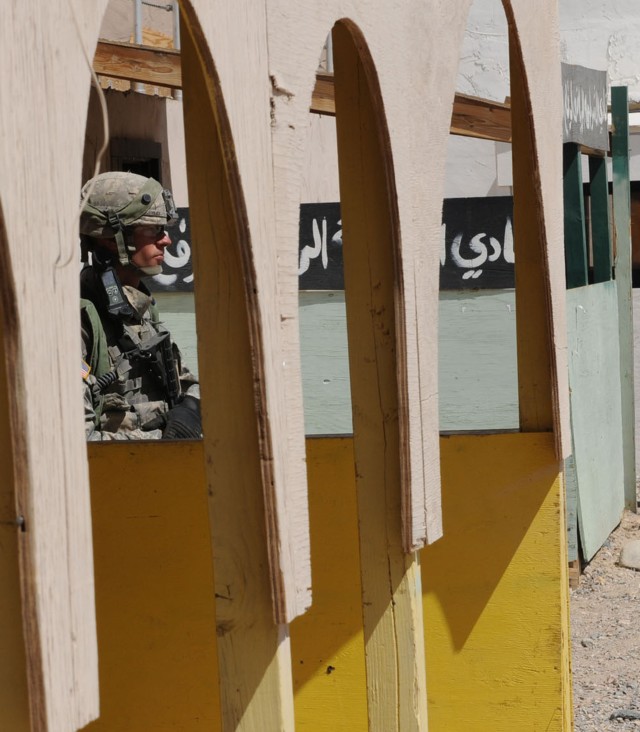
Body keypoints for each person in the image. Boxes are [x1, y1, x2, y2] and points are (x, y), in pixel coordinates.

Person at [80, 171, 201, 440]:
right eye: (153, 229)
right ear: (112, 238)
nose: (166, 240)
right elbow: (78, 439)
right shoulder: (80, 320)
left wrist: (192, 409)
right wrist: (161, 442)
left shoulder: (139, 307)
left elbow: (185, 383)